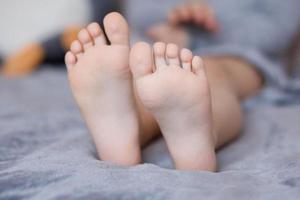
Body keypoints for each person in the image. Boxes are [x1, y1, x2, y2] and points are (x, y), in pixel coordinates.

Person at [64, 0, 300, 171]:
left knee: (211, 78)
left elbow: (276, 29)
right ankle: (126, 125)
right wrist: (169, 19)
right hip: (152, 55)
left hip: (236, 55)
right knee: (148, 86)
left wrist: (200, 33)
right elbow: (140, 11)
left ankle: (197, 135)